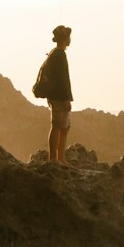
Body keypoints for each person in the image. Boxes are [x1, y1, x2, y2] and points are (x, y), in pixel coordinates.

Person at [33, 24, 73, 164]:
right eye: (69, 37)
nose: (70, 40)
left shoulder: (54, 53)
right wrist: (67, 99)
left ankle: (59, 158)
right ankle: (56, 159)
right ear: (65, 39)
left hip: (55, 95)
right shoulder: (60, 54)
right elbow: (63, 79)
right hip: (59, 96)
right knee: (58, 126)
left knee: (63, 126)